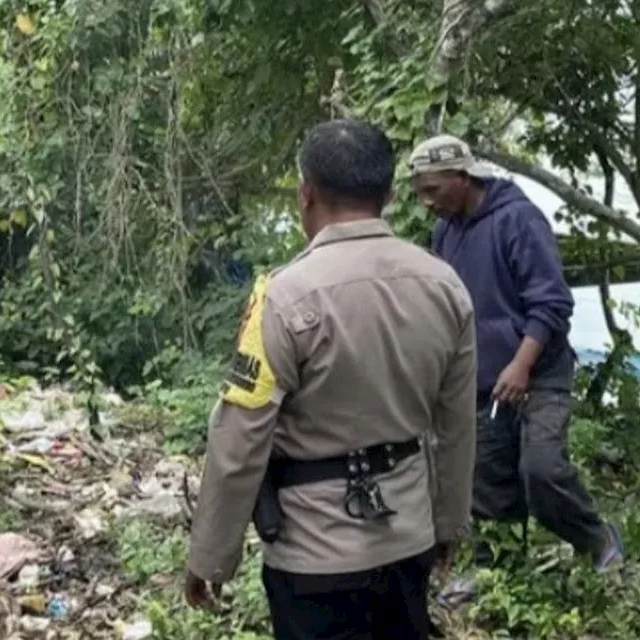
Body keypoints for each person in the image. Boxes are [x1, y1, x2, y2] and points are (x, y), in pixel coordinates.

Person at [184, 119, 477, 639]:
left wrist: (211, 556)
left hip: (314, 557)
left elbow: (239, 439)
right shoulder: (444, 286)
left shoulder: (282, 297)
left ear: (306, 194)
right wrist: (448, 523)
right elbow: (456, 426)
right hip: (408, 540)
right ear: (388, 194)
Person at [408, 135, 624, 607]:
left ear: (463, 178)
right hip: (482, 380)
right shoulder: (447, 232)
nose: (426, 204)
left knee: (541, 470)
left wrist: (522, 365)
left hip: (538, 370)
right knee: (487, 483)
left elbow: (551, 302)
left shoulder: (518, 220)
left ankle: (597, 539)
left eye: (434, 191)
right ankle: (496, 572)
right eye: (419, 193)